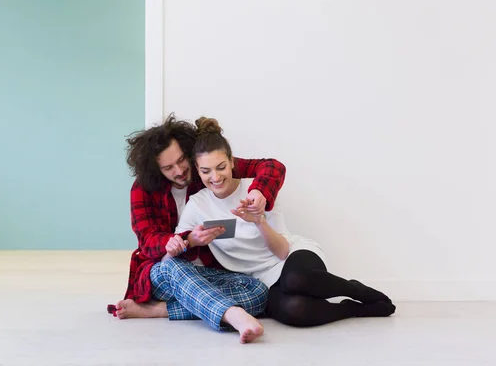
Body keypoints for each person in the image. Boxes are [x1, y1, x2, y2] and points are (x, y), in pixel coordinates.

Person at [171, 117, 396, 327]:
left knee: (295, 280)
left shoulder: (256, 191)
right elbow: (175, 248)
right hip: (258, 280)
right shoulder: (197, 205)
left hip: (291, 256)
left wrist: (259, 221)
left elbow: (282, 251)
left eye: (221, 167)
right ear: (197, 172)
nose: (215, 177)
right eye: (205, 171)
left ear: (232, 162)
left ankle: (355, 289)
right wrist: (191, 240)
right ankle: (351, 310)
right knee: (294, 310)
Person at [112, 114, 287, 343]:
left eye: (182, 160)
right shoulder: (142, 190)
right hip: (163, 272)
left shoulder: (206, 172)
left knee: (258, 293)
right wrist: (184, 241)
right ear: (156, 169)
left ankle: (160, 311)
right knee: (174, 265)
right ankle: (232, 315)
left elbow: (272, 166)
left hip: (206, 272)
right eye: (168, 167)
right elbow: (147, 241)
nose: (179, 171)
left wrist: (259, 191)